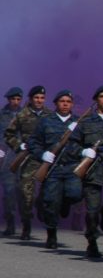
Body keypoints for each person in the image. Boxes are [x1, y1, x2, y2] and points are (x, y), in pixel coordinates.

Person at [30, 90, 83, 249]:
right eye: (62, 101)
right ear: (56, 103)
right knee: (51, 203)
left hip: (72, 167)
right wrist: (42, 154)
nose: (65, 104)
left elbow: (86, 142)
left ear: (72, 104)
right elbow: (33, 143)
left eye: (68, 101)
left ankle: (65, 202)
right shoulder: (46, 121)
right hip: (53, 169)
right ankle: (51, 234)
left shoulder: (78, 123)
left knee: (75, 195)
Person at [70, 85, 103, 258]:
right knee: (91, 211)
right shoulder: (85, 122)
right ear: (96, 100)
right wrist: (83, 151)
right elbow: (72, 144)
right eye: (102, 96)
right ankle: (92, 242)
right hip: (92, 170)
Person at [4, 85, 48, 240]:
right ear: (30, 99)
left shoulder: (50, 115)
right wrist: (18, 145)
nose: (39, 100)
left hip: (45, 158)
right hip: (26, 158)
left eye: (42, 98)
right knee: (24, 193)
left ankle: (42, 207)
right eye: (36, 97)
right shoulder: (22, 115)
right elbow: (8, 134)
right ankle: (26, 225)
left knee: (47, 193)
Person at [0, 87, 24, 236]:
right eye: (13, 99)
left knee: (24, 192)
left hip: (23, 155)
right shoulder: (2, 115)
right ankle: (10, 223)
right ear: (8, 99)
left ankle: (26, 222)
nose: (15, 102)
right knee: (9, 191)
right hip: (7, 155)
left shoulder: (26, 114)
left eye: (18, 99)